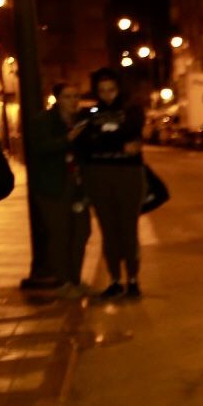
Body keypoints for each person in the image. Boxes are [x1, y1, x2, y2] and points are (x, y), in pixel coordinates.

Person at [74, 67, 145, 301]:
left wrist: (101, 138)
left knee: (128, 228)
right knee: (108, 229)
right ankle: (114, 279)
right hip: (98, 175)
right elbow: (84, 144)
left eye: (111, 89)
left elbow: (132, 130)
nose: (107, 94)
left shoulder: (132, 110)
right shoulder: (88, 113)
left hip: (128, 175)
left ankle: (132, 280)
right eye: (102, 90)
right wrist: (117, 143)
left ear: (119, 88)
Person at [26, 83, 90, 299]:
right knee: (60, 234)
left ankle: (75, 280)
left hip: (77, 185)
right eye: (67, 96)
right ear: (58, 99)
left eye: (76, 96)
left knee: (81, 231)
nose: (73, 101)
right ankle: (63, 282)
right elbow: (39, 148)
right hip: (53, 186)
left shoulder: (80, 121)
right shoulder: (43, 121)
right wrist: (67, 139)